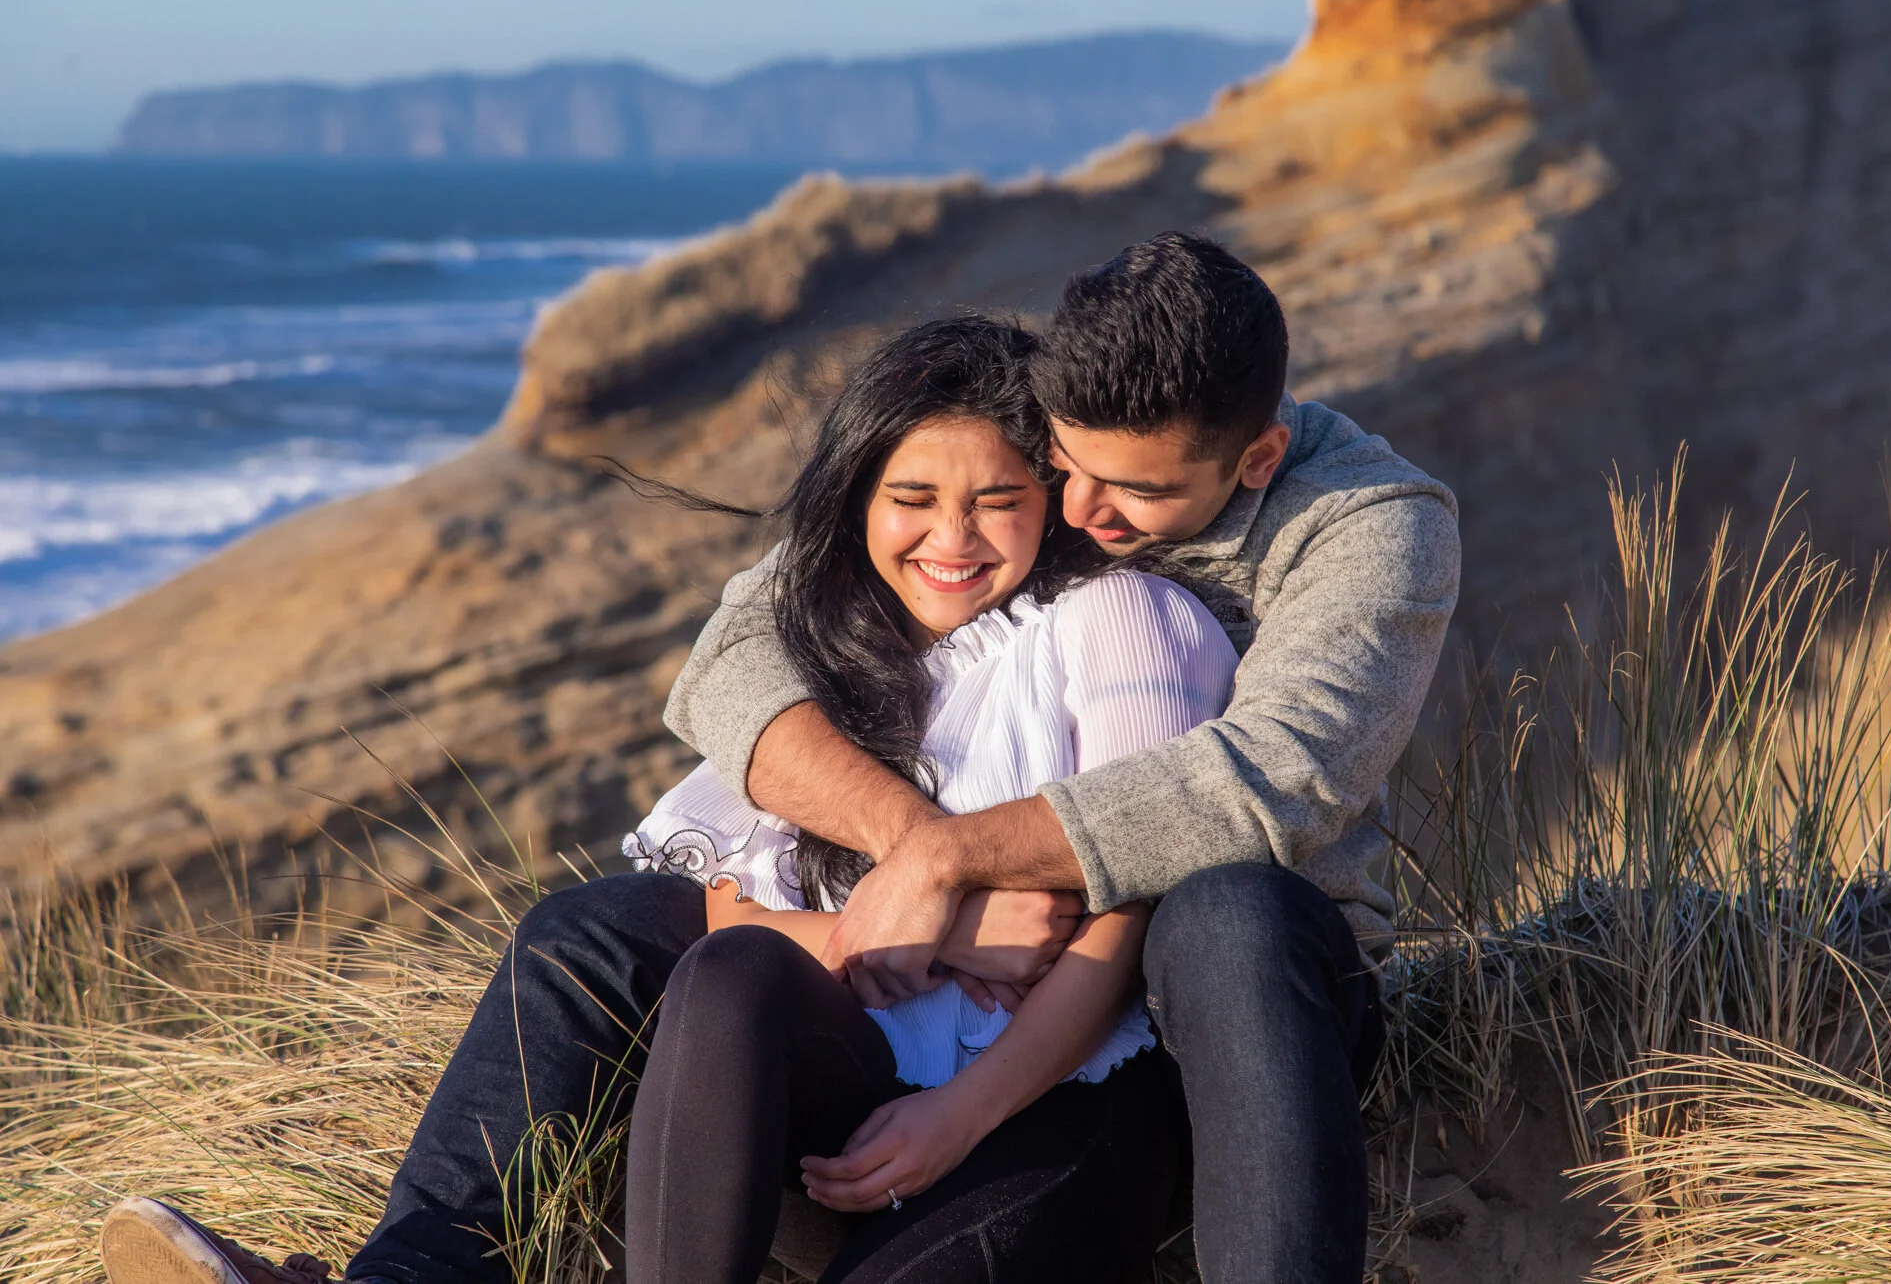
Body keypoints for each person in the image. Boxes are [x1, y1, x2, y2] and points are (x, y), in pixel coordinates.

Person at [98, 316, 1236, 1284]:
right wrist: (941, 918)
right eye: (912, 498)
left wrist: (961, 1110)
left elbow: (1122, 924)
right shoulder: (837, 642)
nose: (952, 537)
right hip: (857, 1065)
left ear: (1055, 495)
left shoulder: (1121, 620)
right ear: (858, 499)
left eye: (998, 499)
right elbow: (725, 903)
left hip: (1042, 1098)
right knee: (649, 948)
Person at [664, 231, 1461, 1283]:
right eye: (1065, 466)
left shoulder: (1370, 524)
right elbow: (731, 654)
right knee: (605, 932)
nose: (1077, 512)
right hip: (962, 978)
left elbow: (1273, 777)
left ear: (1257, 460)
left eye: (1131, 489)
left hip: (1236, 996)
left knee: (1227, 912)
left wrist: (946, 862)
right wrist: (919, 853)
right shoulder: (1041, 451)